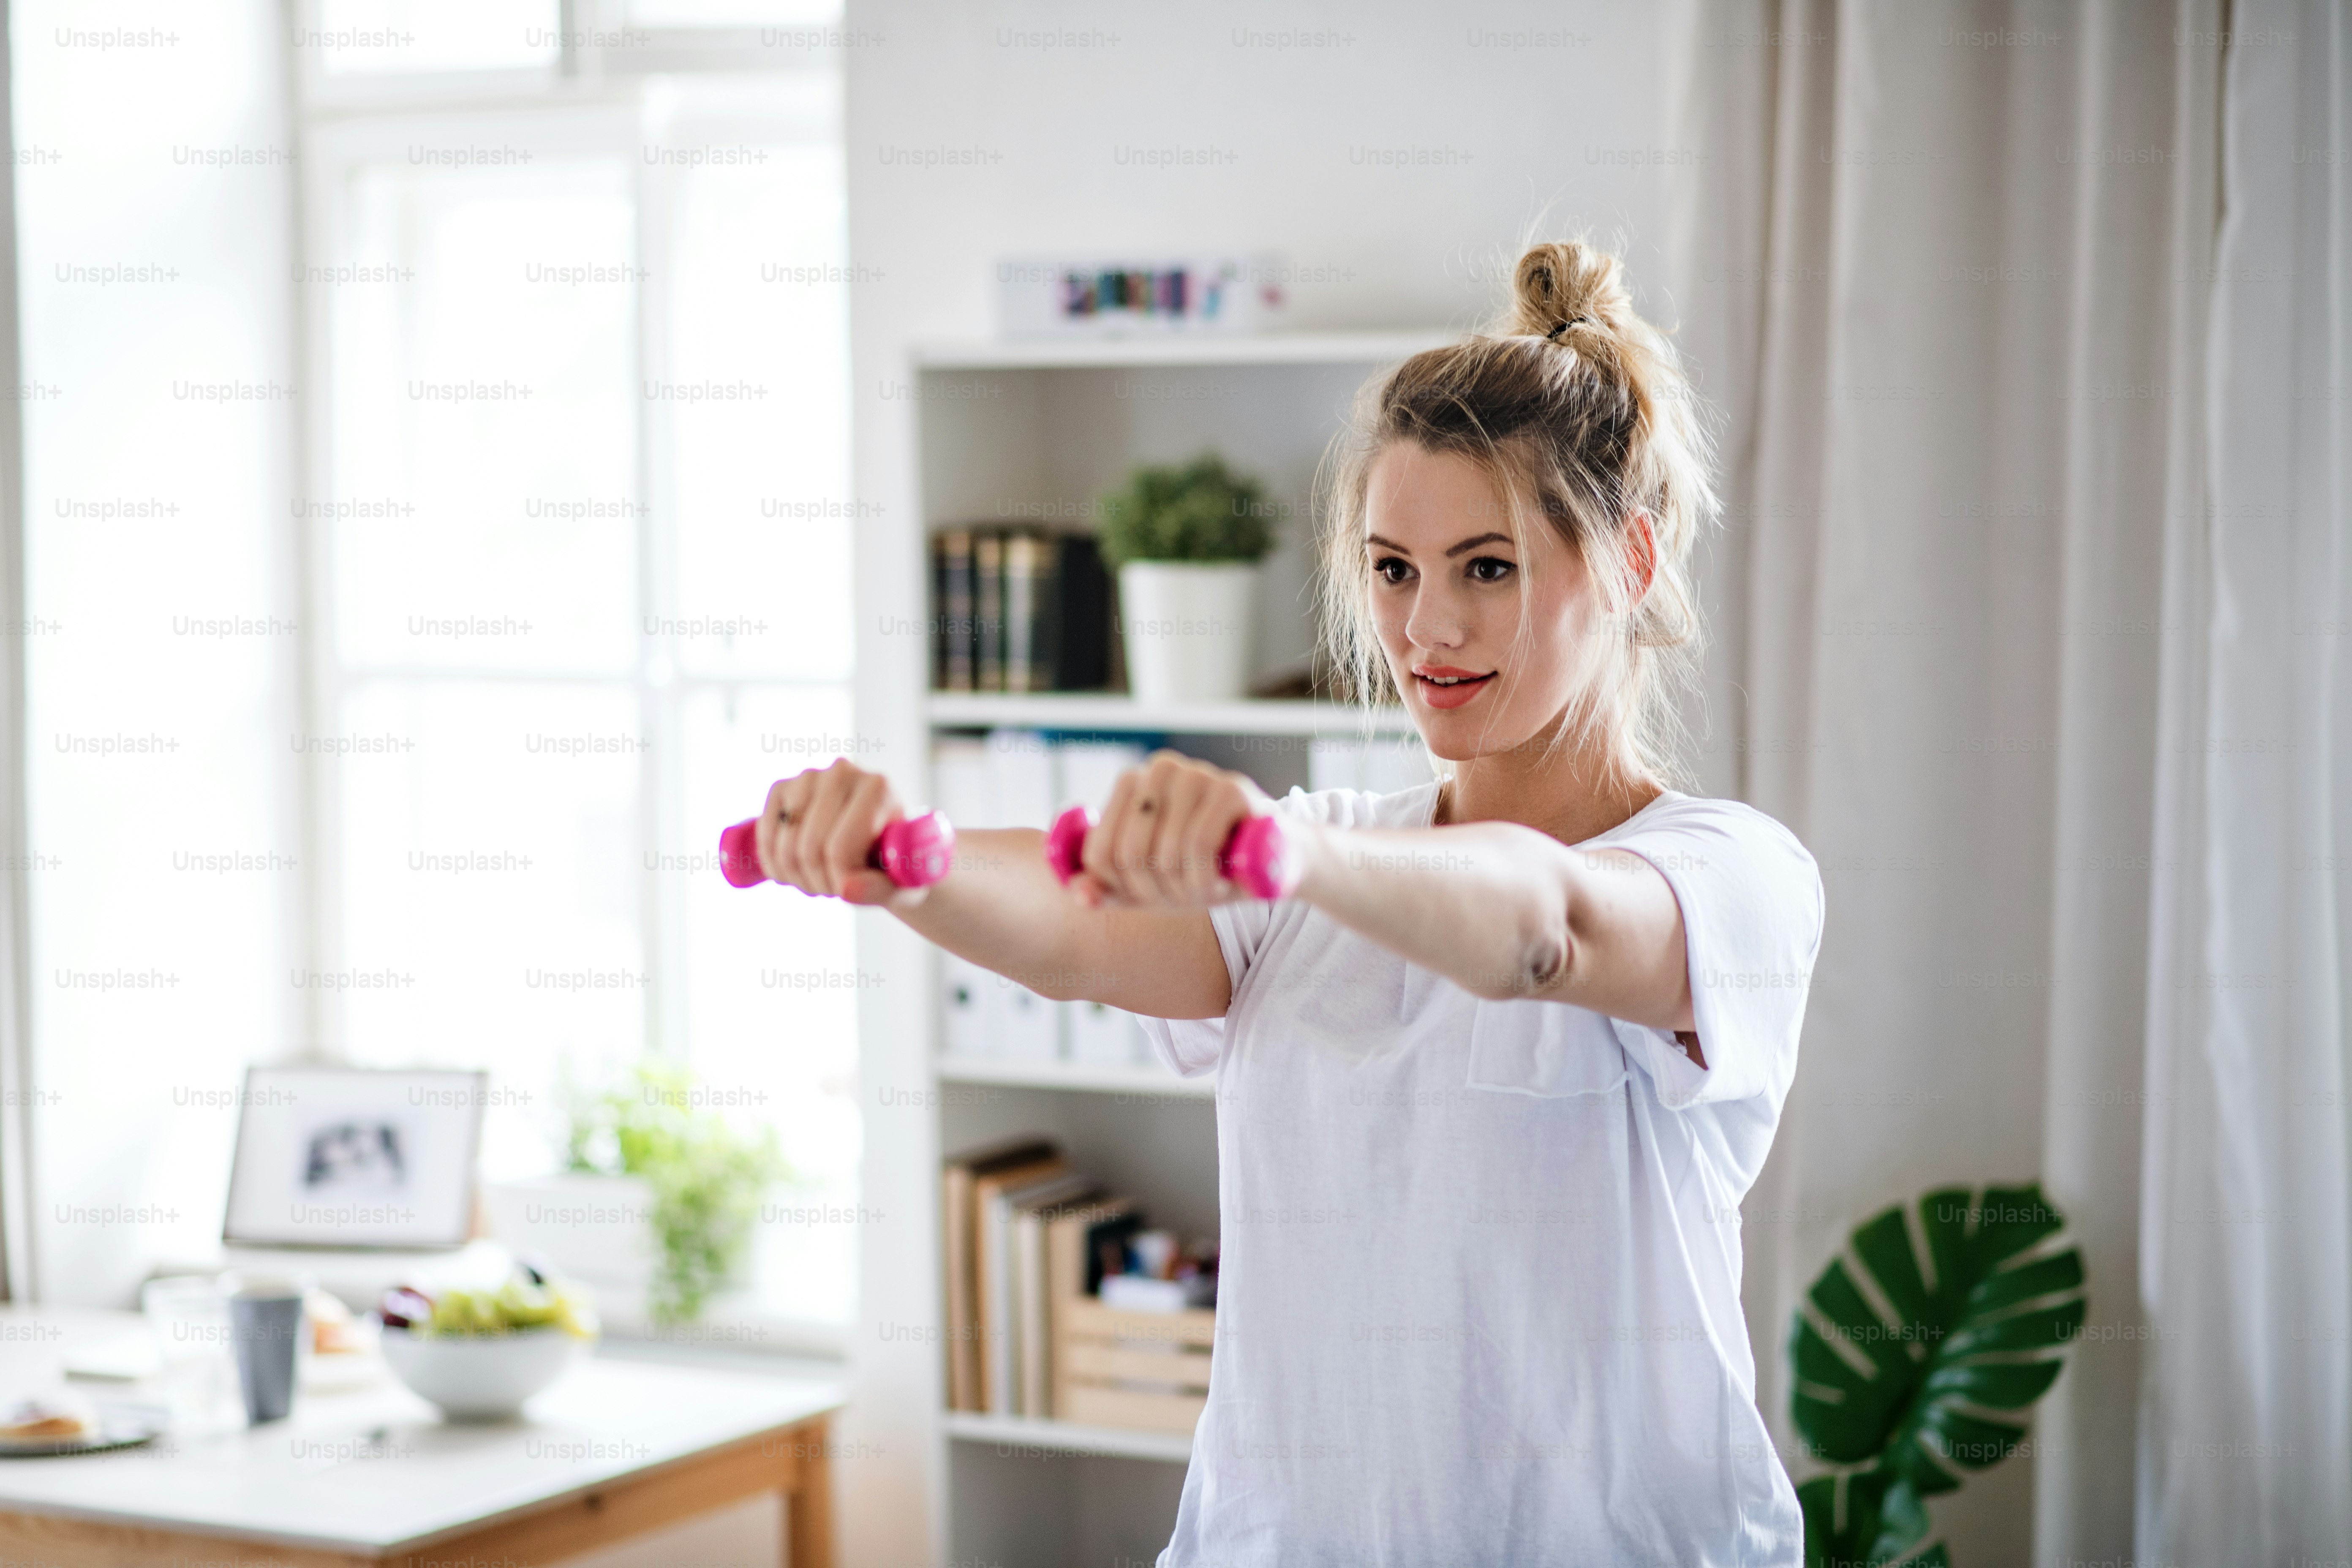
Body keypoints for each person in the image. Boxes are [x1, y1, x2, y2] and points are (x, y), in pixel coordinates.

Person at [753, 240, 1823, 1566]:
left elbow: (1552, 928)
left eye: (1486, 567)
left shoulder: (1735, 875)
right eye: (1392, 569)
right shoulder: (1315, 848)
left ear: (1630, 561)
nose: (1427, 627)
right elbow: (1082, 930)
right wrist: (905, 859)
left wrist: (1287, 864)